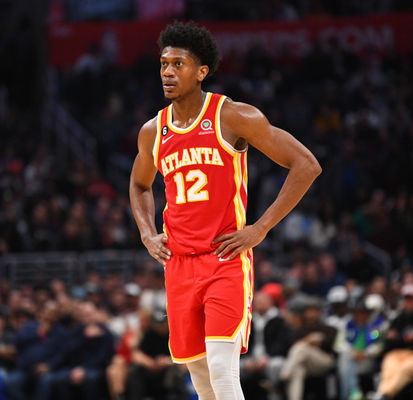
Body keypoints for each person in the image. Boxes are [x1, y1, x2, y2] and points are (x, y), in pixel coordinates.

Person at [129, 21, 321, 399]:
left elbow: (306, 164)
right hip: (179, 264)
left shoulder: (232, 115)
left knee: (222, 368)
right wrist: (146, 233)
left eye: (178, 64)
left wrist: (261, 227)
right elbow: (139, 184)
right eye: (164, 63)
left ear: (202, 72)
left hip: (224, 258)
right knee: (201, 378)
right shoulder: (154, 130)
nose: (168, 72)